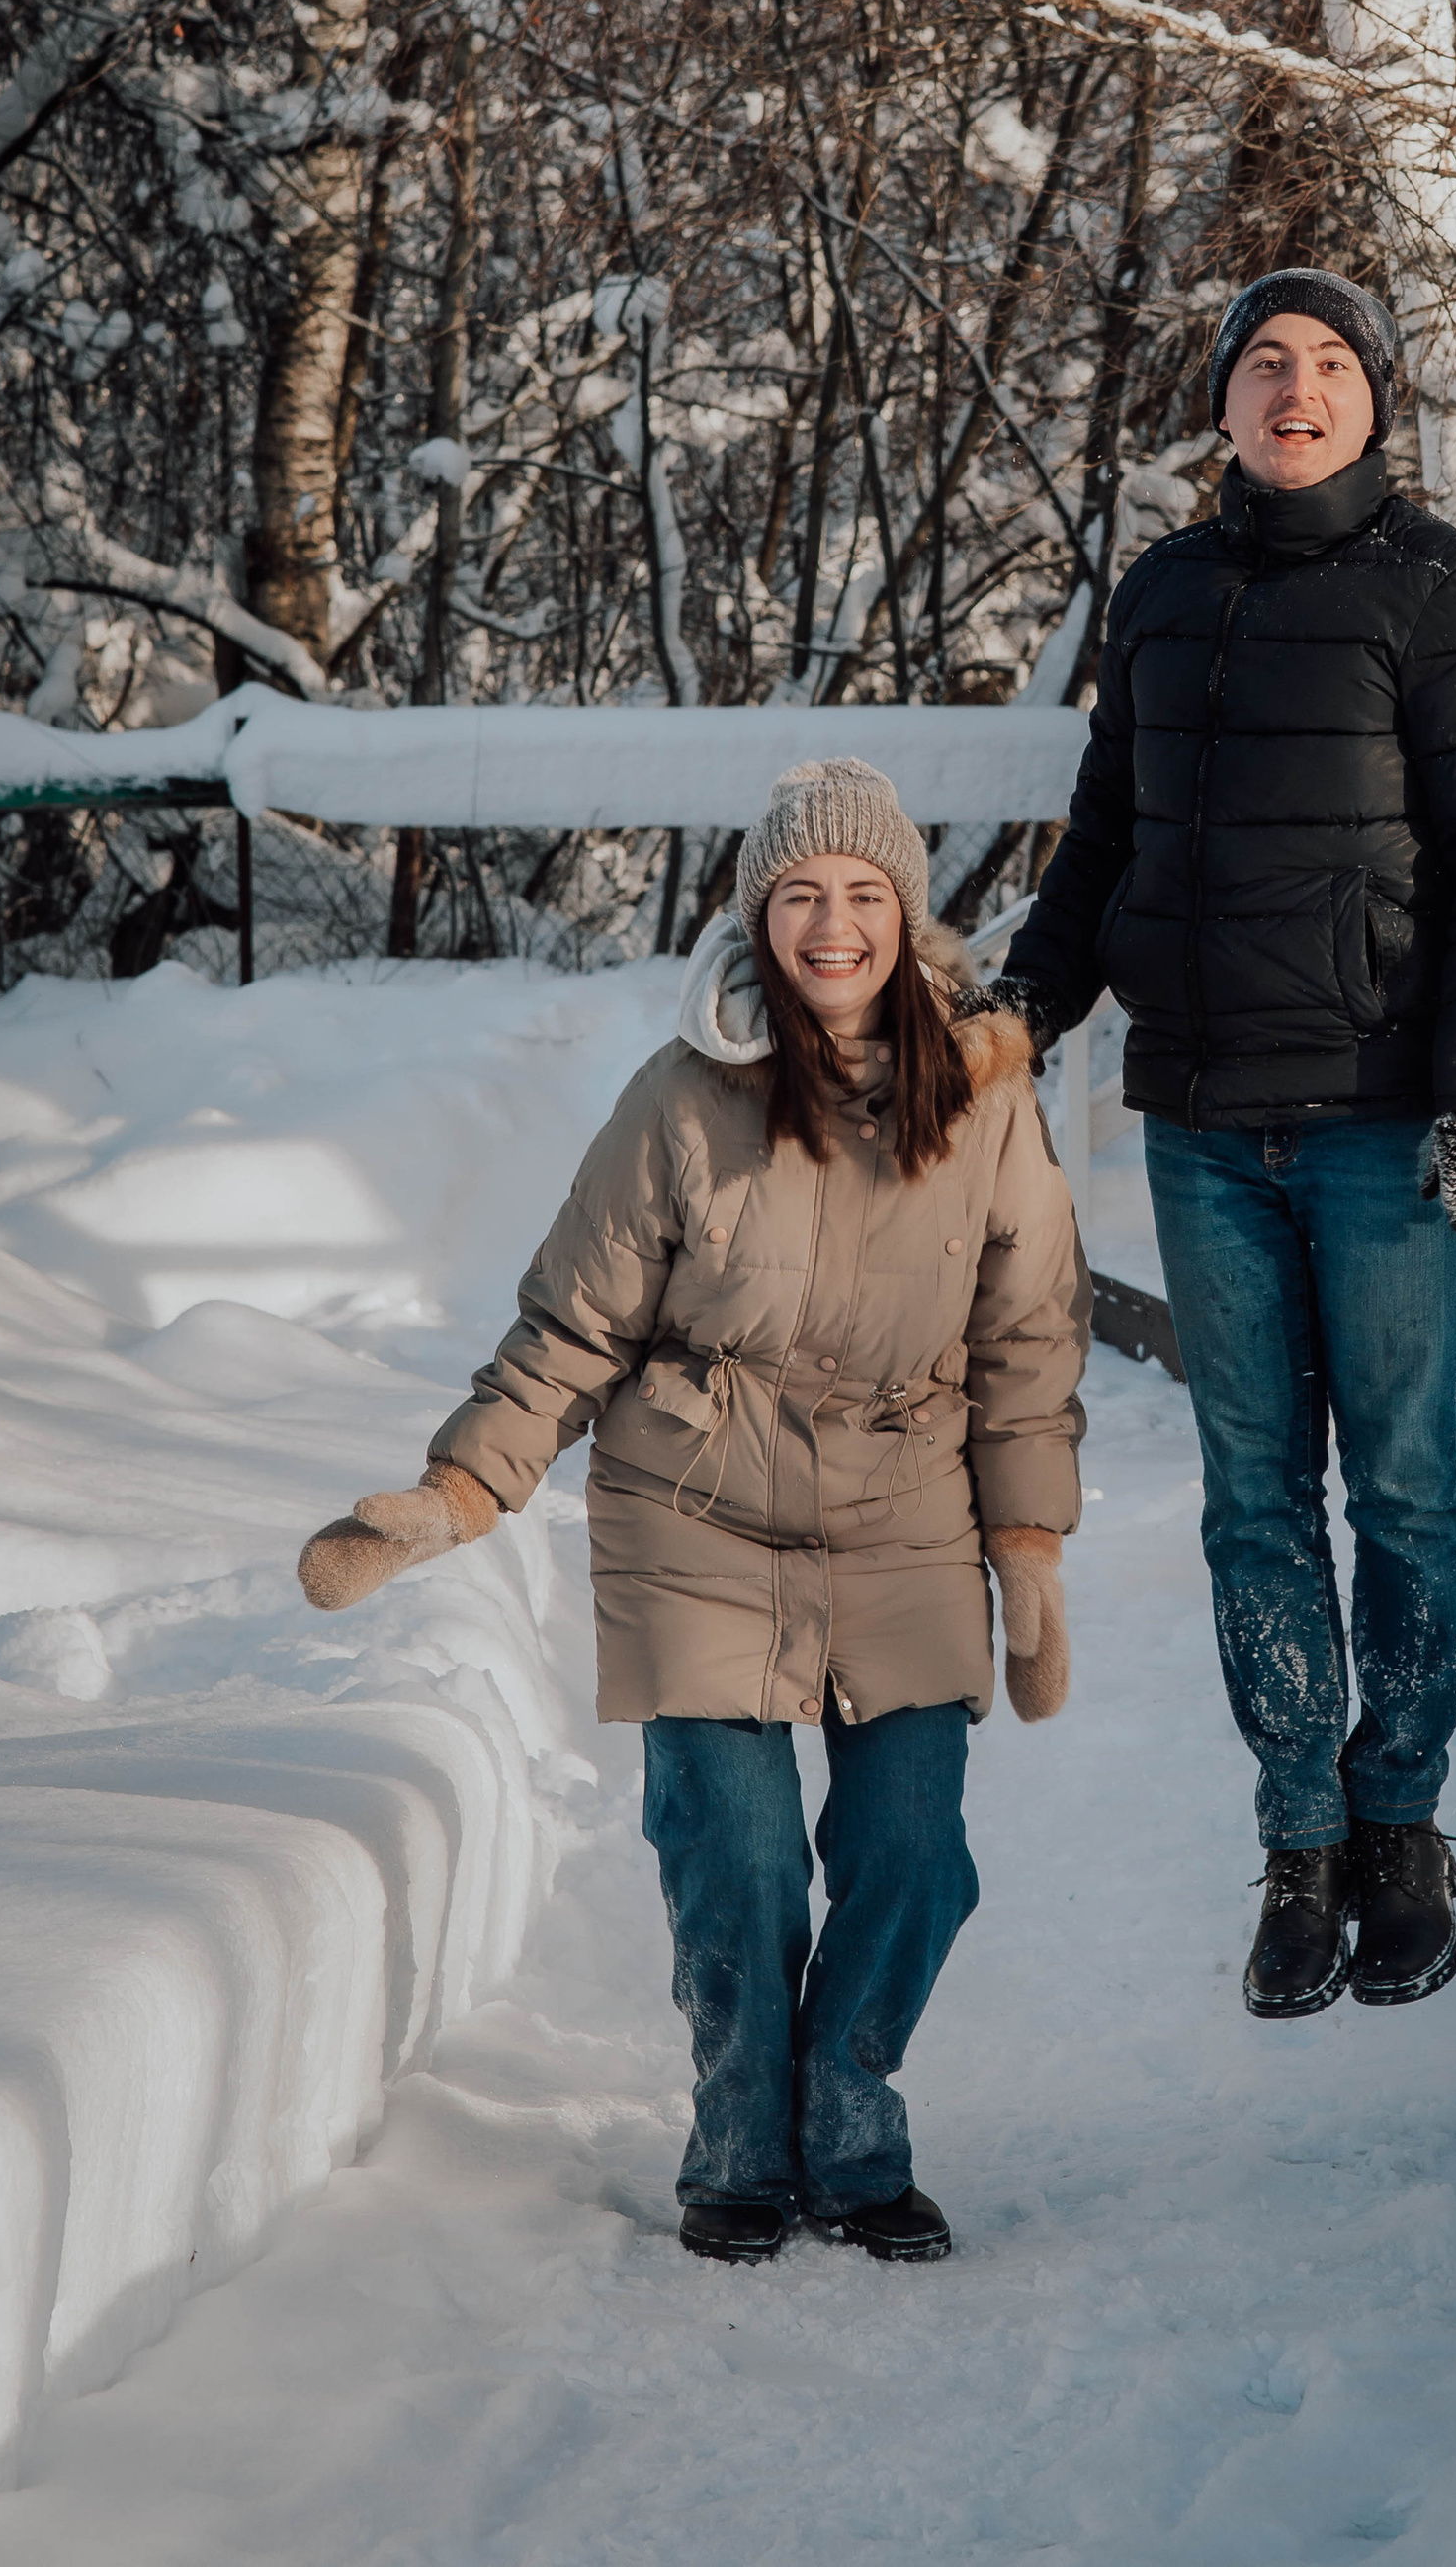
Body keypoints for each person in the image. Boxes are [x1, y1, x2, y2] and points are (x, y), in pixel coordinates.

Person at [297, 759, 1090, 2267]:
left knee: (913, 1853)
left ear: (905, 916)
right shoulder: (679, 1096)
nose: (833, 924)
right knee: (729, 1853)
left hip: (907, 1496)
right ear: (759, 916)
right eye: (802, 895)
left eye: (863, 895)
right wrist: (461, 1489)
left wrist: (1029, 1548)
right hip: (697, 1501)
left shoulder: (986, 1099)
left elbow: (1028, 1333)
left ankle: (849, 2119)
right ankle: (741, 2132)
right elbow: (572, 1327)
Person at [971, 270, 1456, 2019]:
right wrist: (1023, 1007)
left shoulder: (1454, 594)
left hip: (1393, 1126)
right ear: (1223, 405)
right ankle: (1298, 1834)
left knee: (1400, 1482)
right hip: (1206, 1121)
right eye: (1261, 364)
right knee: (1252, 1493)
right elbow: (1106, 842)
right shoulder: (1167, 596)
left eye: (1326, 364)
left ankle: (1402, 1826)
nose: (1293, 390)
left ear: (1376, 400)